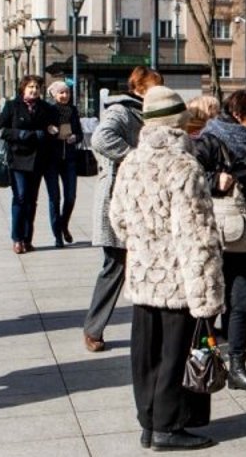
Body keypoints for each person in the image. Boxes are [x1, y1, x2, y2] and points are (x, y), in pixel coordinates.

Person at [109, 85, 224, 451]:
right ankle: (168, 428)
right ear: (180, 125)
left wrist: (146, 244)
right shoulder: (184, 165)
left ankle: (149, 423)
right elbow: (198, 234)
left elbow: (118, 220)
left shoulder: (131, 161)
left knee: (146, 353)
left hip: (144, 274)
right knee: (175, 353)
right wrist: (207, 294)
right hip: (178, 277)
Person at [192, 91, 246, 394]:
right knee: (209, 302)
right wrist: (216, 181)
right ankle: (201, 362)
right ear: (239, 115)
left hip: (242, 232)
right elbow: (190, 177)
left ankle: (238, 367)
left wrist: (242, 182)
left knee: (242, 301)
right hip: (212, 235)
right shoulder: (210, 140)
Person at [84, 66, 163, 352]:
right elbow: (100, 139)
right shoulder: (122, 110)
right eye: (153, 88)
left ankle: (154, 331)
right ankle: (93, 328)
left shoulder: (154, 113)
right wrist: (135, 158)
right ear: (139, 89)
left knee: (149, 265)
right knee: (115, 265)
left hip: (146, 201)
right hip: (119, 200)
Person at [0, 75, 57, 254]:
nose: (34, 90)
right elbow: (0, 130)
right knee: (21, 197)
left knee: (31, 201)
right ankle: (17, 239)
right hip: (18, 158)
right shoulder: (12, 106)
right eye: (31, 87)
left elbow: (53, 130)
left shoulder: (46, 108)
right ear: (23, 88)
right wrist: (22, 135)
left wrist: (48, 133)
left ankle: (27, 239)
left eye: (37, 87)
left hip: (38, 160)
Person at [44, 80, 82, 247]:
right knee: (54, 198)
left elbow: (79, 132)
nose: (65, 95)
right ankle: (57, 235)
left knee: (71, 196)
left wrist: (76, 137)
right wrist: (49, 129)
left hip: (70, 159)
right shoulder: (48, 110)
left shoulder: (73, 111)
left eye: (67, 92)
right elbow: (42, 128)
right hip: (51, 159)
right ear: (54, 95)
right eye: (61, 93)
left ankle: (63, 224)